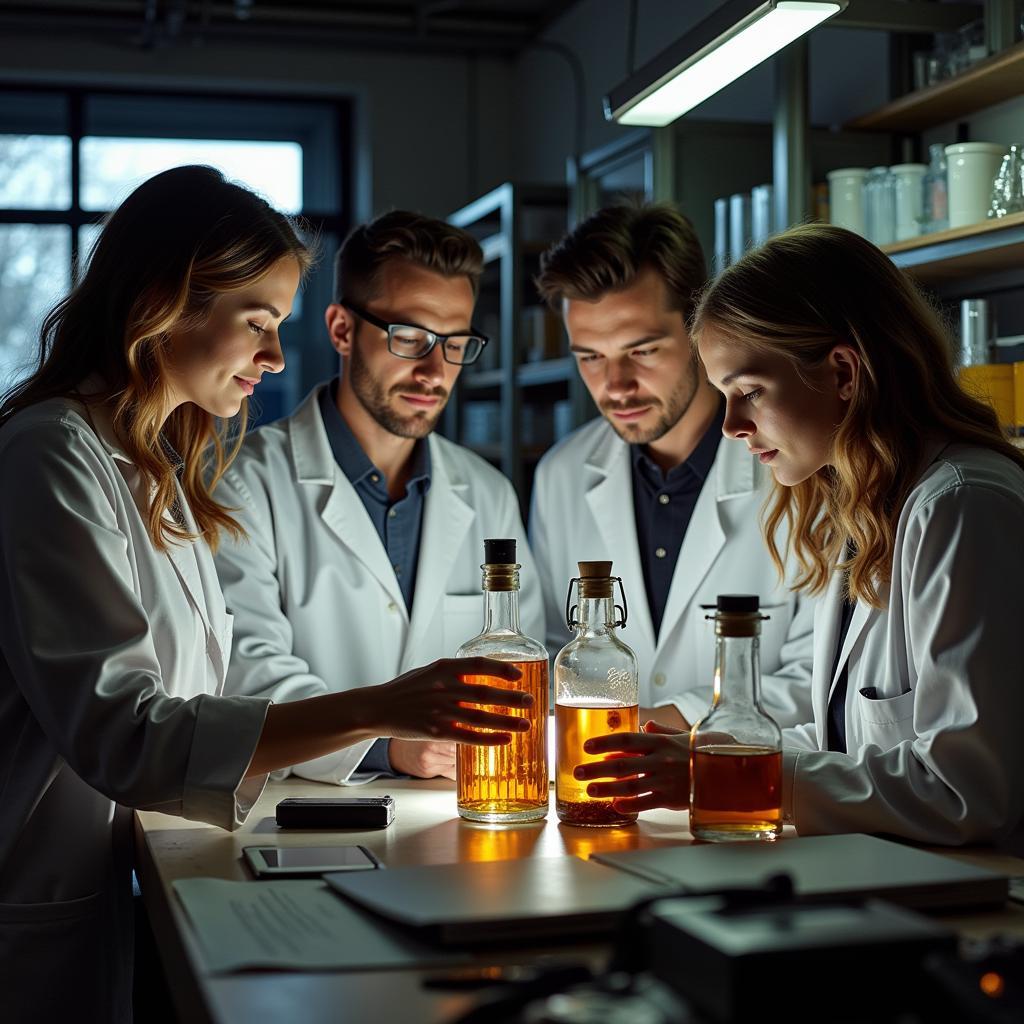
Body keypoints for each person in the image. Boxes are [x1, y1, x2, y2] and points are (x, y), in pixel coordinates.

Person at [0, 166, 533, 1023]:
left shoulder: (153, 468)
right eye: (257, 323)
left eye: (278, 327)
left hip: (130, 874)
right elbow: (126, 734)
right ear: (160, 303)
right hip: (38, 900)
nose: (276, 357)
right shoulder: (50, 454)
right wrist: (380, 713)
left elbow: (205, 701)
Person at [577, 223, 1024, 846]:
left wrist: (730, 775)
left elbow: (964, 791)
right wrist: (710, 752)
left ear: (844, 371)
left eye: (749, 391)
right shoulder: (865, 507)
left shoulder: (960, 505)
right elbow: (846, 742)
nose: (731, 424)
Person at [212, 210, 542, 786]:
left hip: (460, 816)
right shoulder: (244, 483)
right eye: (410, 338)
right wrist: (388, 746)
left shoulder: (487, 494)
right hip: (294, 813)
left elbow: (524, 656)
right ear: (342, 329)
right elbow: (247, 673)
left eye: (456, 344)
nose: (434, 372)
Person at [531, 203, 814, 729]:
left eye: (642, 350)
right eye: (590, 356)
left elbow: (815, 678)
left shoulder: (796, 466)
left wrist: (667, 725)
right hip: (602, 785)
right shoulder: (561, 475)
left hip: (744, 784)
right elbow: (552, 646)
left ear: (699, 330)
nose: (615, 384)